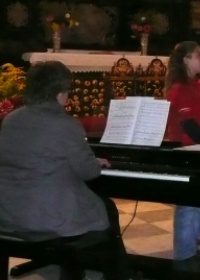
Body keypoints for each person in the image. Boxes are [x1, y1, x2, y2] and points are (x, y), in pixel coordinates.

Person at [0, 61, 129, 280]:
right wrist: (94, 162)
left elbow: (37, 155)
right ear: (59, 93)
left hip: (9, 210)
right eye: (67, 90)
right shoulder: (65, 124)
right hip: (48, 217)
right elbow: (89, 172)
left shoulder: (11, 119)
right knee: (106, 208)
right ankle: (114, 273)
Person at [165, 41, 200, 263]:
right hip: (188, 149)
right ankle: (184, 254)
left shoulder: (194, 84)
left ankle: (190, 248)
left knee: (196, 202)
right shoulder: (180, 88)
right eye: (197, 55)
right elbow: (187, 123)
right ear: (185, 60)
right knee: (187, 205)